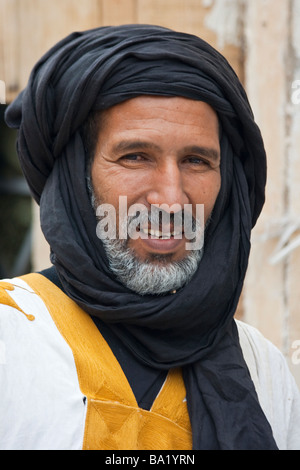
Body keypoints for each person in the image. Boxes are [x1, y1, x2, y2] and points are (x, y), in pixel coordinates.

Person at [1, 24, 299, 451]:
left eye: (196, 161)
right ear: (75, 175)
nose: (172, 200)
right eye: (135, 157)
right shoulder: (11, 337)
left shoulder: (262, 367)